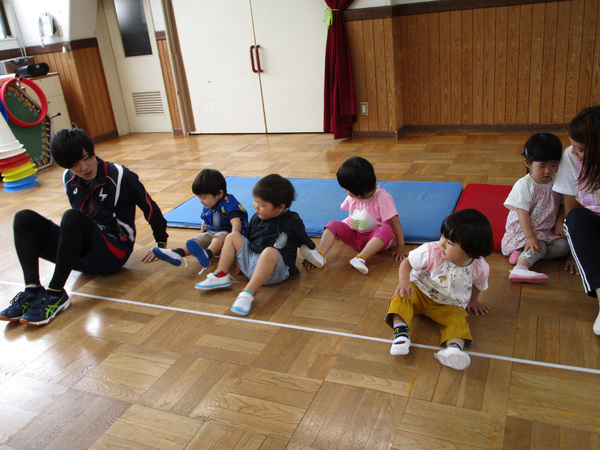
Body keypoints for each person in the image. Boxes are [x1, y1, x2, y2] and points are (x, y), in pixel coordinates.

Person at [0, 128, 168, 326]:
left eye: (85, 158)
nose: (83, 167)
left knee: (72, 218)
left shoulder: (120, 175)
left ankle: (55, 293)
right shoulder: (68, 178)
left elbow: (149, 206)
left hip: (113, 253)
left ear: (92, 151)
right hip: (81, 254)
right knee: (23, 218)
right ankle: (32, 289)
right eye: (74, 165)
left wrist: (161, 241)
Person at [195, 174, 323, 315]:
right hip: (253, 261)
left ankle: (247, 293)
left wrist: (313, 255)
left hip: (275, 270)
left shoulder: (291, 220)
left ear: (280, 207)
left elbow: (304, 239)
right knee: (232, 236)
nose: (256, 207)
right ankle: (220, 275)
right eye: (255, 201)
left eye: (262, 205)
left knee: (269, 251)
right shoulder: (256, 217)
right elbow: (248, 240)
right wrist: (241, 261)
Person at [385, 209, 493, 370]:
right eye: (443, 236)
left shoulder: (479, 268)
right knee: (400, 298)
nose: (441, 243)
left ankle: (454, 349)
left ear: (471, 250)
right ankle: (401, 334)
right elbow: (407, 262)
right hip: (419, 291)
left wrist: (474, 301)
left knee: (458, 322)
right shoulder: (431, 251)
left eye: (450, 243)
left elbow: (479, 284)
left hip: (450, 305)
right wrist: (404, 282)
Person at [302, 156, 406, 275]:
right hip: (355, 235)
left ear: (358, 191)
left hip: (374, 240)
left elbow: (395, 223)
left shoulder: (383, 199)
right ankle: (319, 255)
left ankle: (361, 258)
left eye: (346, 189)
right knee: (332, 224)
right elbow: (347, 216)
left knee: (387, 230)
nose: (345, 191)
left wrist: (400, 247)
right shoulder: (354, 196)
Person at [553, 105, 600, 335]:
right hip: (592, 222)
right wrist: (575, 251)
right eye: (574, 147)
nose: (575, 152)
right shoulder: (571, 156)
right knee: (576, 219)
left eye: (581, 149)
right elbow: (571, 207)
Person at [143, 169, 248, 269]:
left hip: (229, 237)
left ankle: (208, 253)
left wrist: (234, 243)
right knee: (198, 239)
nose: (200, 201)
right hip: (214, 234)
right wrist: (201, 236)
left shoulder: (229, 203)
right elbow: (205, 221)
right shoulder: (209, 204)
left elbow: (236, 223)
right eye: (198, 197)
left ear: (219, 194)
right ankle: (178, 253)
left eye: (203, 197)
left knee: (220, 236)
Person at [501, 133, 569, 283]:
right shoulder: (525, 185)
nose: (548, 171)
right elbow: (522, 214)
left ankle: (521, 254)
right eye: (542, 166)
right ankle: (520, 268)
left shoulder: (557, 180)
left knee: (564, 247)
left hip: (546, 230)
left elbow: (564, 204)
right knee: (540, 246)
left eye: (553, 165)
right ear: (528, 163)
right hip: (525, 230)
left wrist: (559, 221)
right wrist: (531, 237)